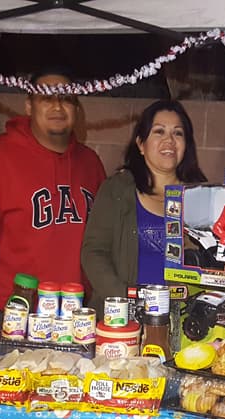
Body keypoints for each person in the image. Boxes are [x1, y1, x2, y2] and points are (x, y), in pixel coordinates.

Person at [0, 68, 106, 339]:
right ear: (29, 106)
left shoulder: (90, 164)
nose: (57, 106)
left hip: (75, 313)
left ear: (76, 108)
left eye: (66, 98)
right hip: (15, 312)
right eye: (46, 98)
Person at [81, 100, 206, 312]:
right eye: (159, 131)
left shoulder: (202, 196)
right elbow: (93, 252)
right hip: (124, 318)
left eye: (178, 133)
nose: (169, 140)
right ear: (141, 144)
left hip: (182, 320)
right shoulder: (117, 189)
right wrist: (124, 301)